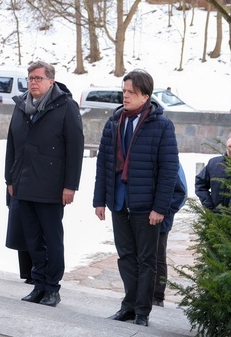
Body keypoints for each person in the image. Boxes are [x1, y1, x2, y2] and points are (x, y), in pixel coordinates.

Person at [93, 69, 179, 327]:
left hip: (146, 205)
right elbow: (103, 164)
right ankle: (128, 306)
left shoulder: (162, 125)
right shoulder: (115, 121)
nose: (125, 96)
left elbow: (169, 170)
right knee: (126, 256)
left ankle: (142, 311)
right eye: (124, 91)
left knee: (146, 259)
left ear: (146, 96)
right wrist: (99, 200)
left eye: (131, 92)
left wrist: (160, 207)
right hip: (119, 201)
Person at [5, 60, 84, 308]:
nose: (33, 82)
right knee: (32, 239)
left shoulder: (65, 106)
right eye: (30, 78)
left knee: (51, 239)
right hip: (24, 184)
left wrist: (70, 185)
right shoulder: (20, 106)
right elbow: (12, 144)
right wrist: (10, 178)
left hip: (51, 186)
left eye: (38, 78)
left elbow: (75, 148)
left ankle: (52, 288)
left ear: (51, 80)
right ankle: (38, 284)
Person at [153, 164, 187, 307]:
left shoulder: (173, 163)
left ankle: (157, 296)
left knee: (158, 257)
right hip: (142, 217)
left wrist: (163, 211)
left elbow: (181, 194)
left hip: (161, 218)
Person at [195, 132, 231, 214]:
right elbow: (200, 185)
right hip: (217, 217)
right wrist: (209, 207)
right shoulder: (214, 163)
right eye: (230, 146)